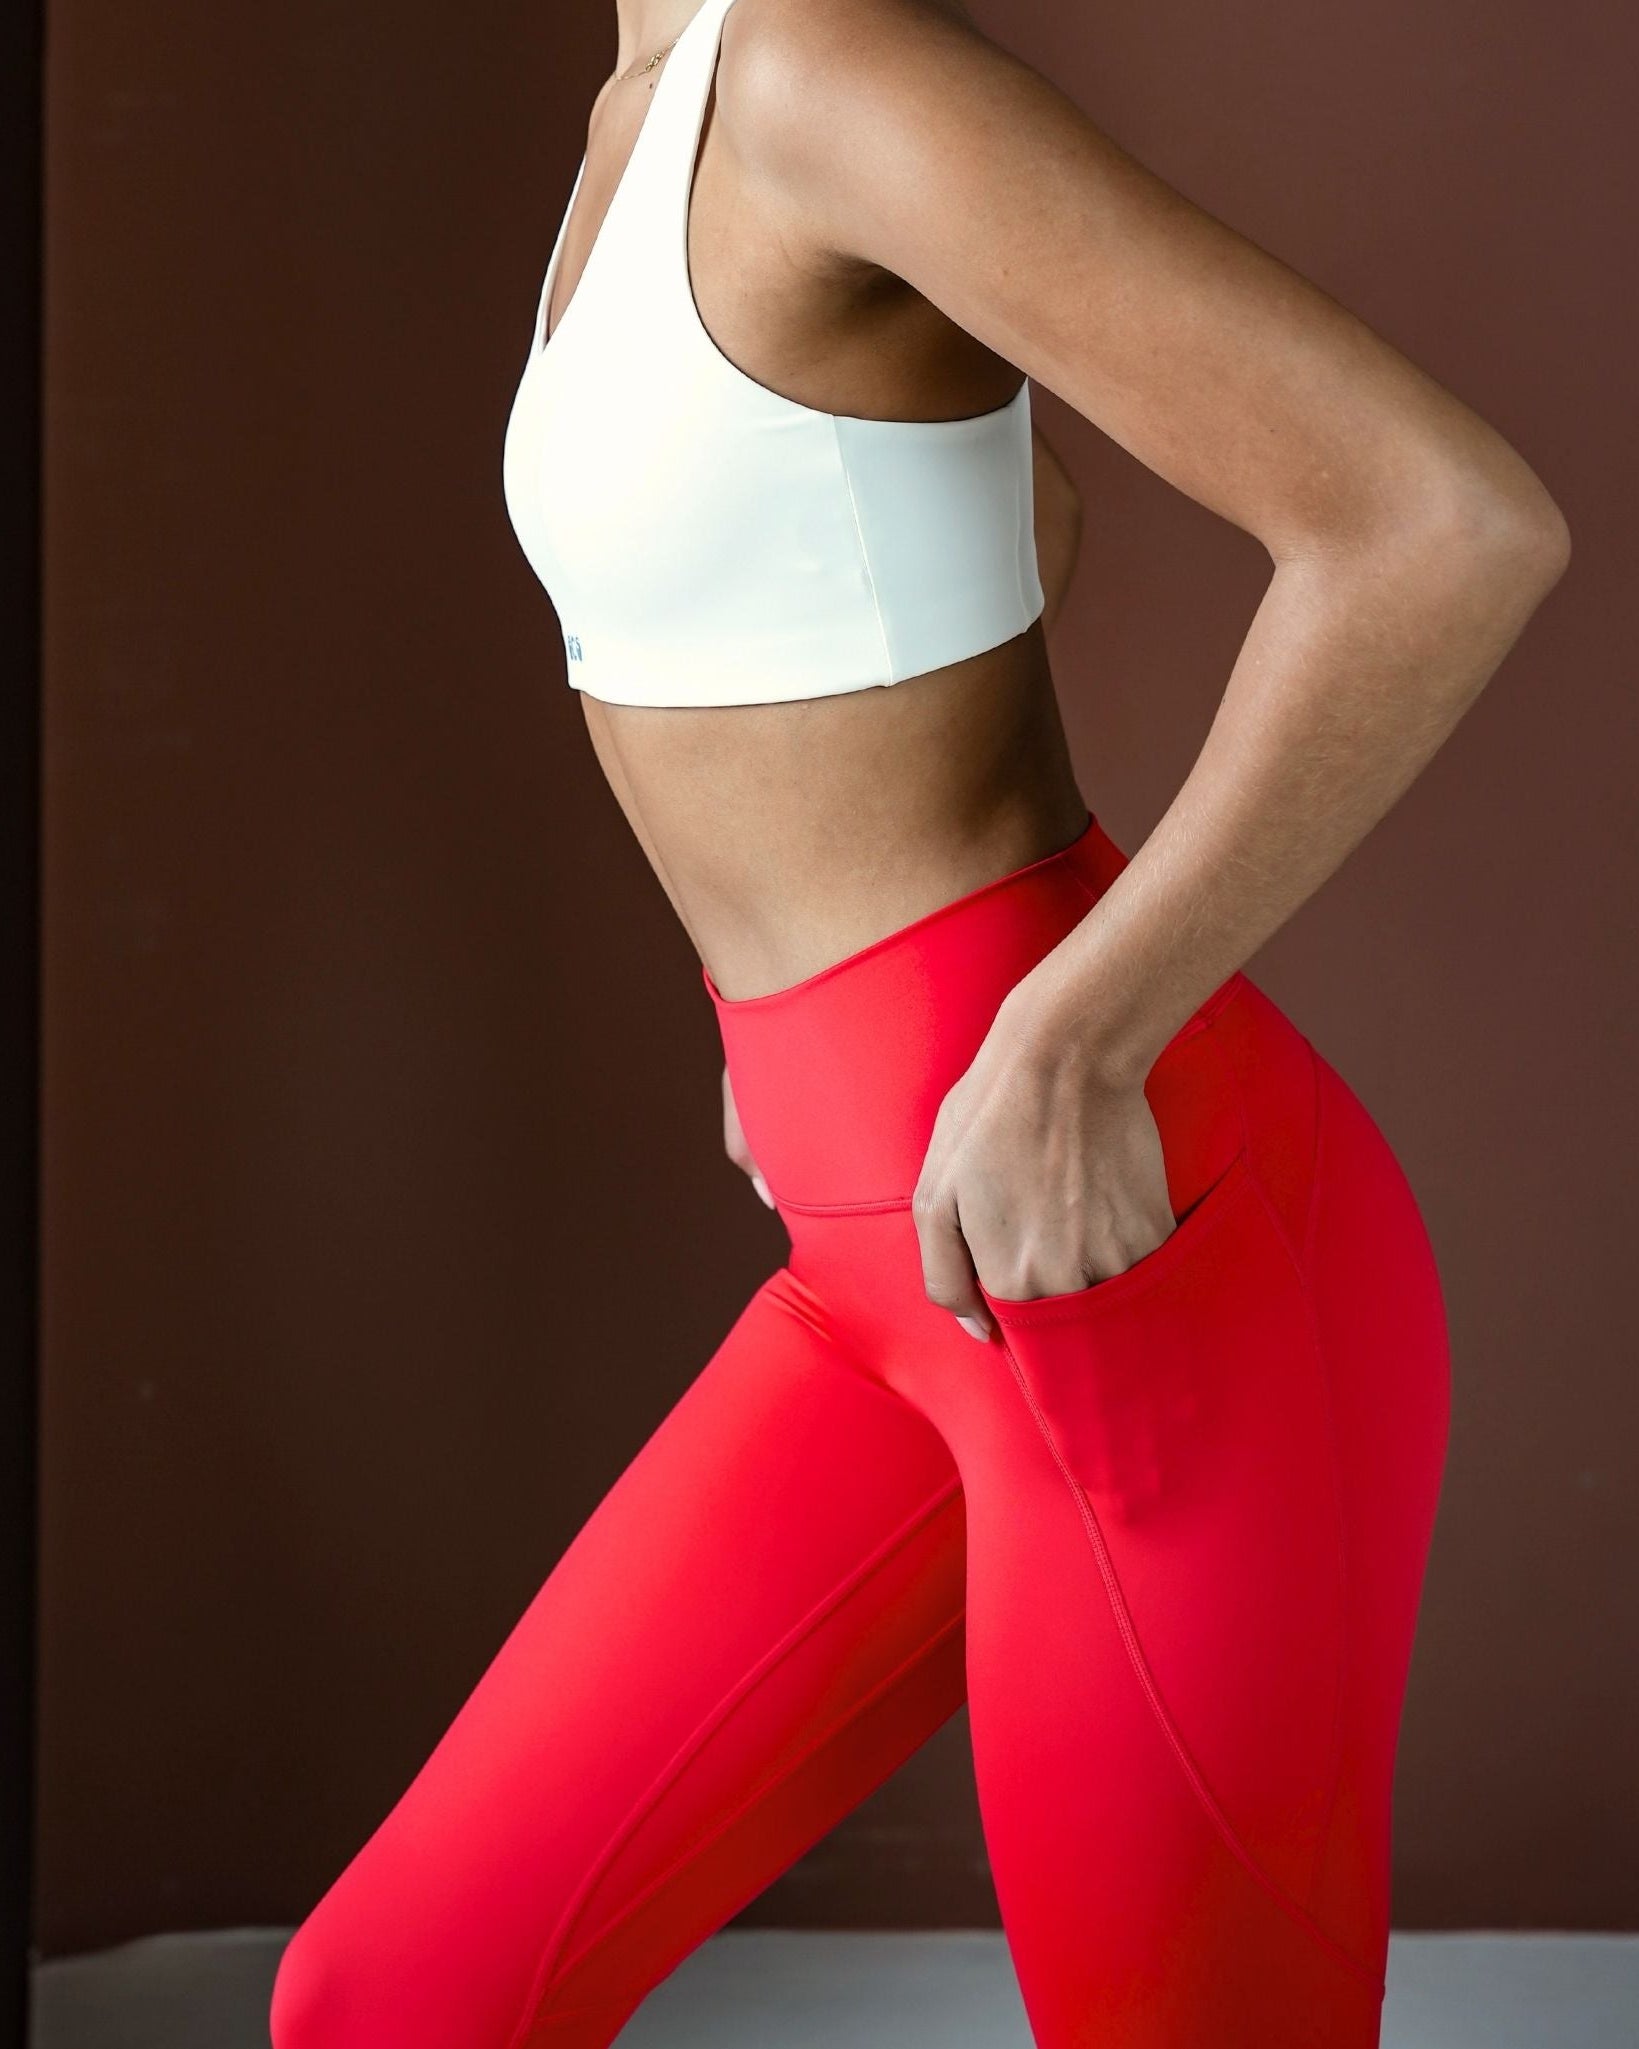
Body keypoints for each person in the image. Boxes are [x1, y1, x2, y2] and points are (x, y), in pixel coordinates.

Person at [268, 3, 1569, 2045]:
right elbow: (991, 515)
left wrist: (1066, 1031)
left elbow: (1441, 524)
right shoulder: (651, 104)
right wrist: (799, 995)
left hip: (1125, 1252)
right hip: (873, 1258)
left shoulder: (822, 72)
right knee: (396, 1994)